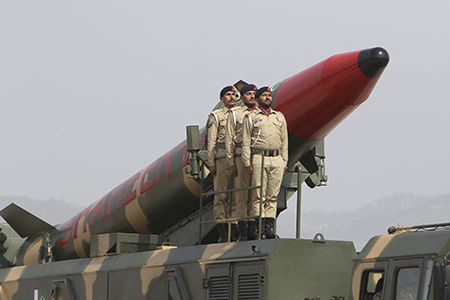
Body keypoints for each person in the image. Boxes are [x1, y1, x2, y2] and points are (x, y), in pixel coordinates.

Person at [242, 86, 288, 239]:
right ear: (257, 99)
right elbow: (246, 142)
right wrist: (247, 162)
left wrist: (284, 162)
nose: (267, 98)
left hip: (276, 159)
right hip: (258, 158)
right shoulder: (251, 117)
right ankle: (257, 229)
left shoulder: (279, 117)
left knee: (272, 196)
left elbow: (284, 141)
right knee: (258, 195)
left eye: (269, 95)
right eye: (264, 95)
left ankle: (268, 230)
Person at [225, 84, 258, 241]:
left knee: (256, 194)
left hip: (257, 158)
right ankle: (243, 229)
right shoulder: (235, 113)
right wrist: (231, 162)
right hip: (240, 158)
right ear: (242, 97)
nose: (252, 96)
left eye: (254, 94)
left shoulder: (261, 113)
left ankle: (253, 228)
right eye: (248, 94)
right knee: (241, 194)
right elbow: (229, 138)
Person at [207, 85, 236, 243]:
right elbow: (211, 141)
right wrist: (212, 162)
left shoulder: (241, 114)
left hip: (237, 158)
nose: (231, 97)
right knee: (221, 195)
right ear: (221, 99)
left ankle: (235, 227)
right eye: (228, 95)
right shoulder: (216, 116)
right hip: (222, 157)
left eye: (233, 94)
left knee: (237, 194)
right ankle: (222, 229)